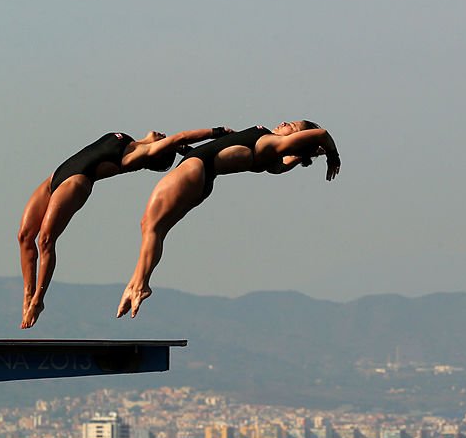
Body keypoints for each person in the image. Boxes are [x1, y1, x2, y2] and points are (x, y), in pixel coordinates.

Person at [116, 120, 340, 319]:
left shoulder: (271, 144)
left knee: (151, 226)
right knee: (155, 229)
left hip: (194, 170)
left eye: (293, 126)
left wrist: (332, 155)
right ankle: (137, 284)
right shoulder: (270, 155)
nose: (284, 122)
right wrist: (309, 154)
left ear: (296, 139)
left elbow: (322, 134)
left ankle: (139, 285)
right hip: (201, 174)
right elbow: (280, 166)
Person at [17, 126, 231, 328]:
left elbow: (182, 136)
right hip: (55, 177)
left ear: (158, 153)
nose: (163, 134)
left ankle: (38, 299)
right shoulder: (131, 141)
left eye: (164, 141)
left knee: (45, 240)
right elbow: (179, 143)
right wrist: (178, 148)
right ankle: (28, 293)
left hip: (75, 182)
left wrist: (219, 132)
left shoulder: (144, 153)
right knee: (24, 236)